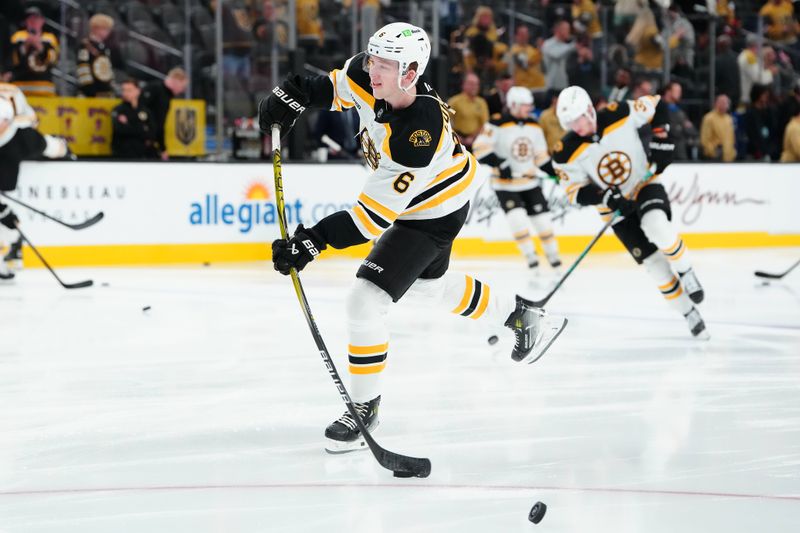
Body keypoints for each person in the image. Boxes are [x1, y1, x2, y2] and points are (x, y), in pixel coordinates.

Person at [258, 22, 567, 453]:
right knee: (428, 289)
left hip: (433, 210)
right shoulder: (370, 76)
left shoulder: (416, 136)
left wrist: (310, 242)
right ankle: (521, 317)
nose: (373, 72)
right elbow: (334, 87)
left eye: (385, 65)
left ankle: (365, 407)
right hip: (433, 198)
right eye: (372, 60)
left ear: (410, 73)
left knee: (365, 298)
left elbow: (368, 221)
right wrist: (292, 96)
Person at [551, 85, 709, 339]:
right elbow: (575, 192)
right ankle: (688, 312)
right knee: (654, 265)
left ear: (590, 110)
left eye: (576, 119)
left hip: (644, 184)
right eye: (568, 122)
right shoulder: (564, 152)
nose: (574, 126)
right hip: (615, 211)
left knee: (656, 225)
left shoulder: (619, 113)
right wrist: (605, 197)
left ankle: (686, 270)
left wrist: (662, 140)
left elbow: (657, 105)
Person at [472, 86, 562, 273]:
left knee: (543, 223)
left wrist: (555, 173)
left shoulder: (534, 125)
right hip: (505, 185)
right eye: (525, 106)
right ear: (513, 105)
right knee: (518, 221)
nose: (529, 109)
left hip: (530, 183)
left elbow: (540, 156)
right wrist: (500, 163)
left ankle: (554, 258)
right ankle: (532, 260)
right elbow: (479, 149)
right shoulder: (496, 124)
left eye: (530, 105)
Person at [0, 82, 70, 275]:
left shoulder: (9, 94)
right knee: (4, 206)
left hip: (16, 138)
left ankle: (64, 148)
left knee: (43, 144)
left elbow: (25, 119)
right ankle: (11, 249)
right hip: (14, 139)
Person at [10, 6, 59, 97]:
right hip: (22, 88)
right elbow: (13, 60)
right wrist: (25, 46)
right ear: (25, 22)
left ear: (42, 21)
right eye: (30, 19)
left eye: (36, 18)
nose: (33, 22)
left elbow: (53, 61)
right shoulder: (18, 36)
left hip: (44, 89)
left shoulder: (49, 38)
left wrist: (40, 47)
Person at [140, 67, 188, 160]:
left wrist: (162, 148)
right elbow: (142, 112)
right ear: (176, 81)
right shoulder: (154, 89)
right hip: (140, 141)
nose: (182, 90)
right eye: (183, 86)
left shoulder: (167, 96)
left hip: (151, 140)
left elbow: (160, 124)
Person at [111, 79, 160, 159]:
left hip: (143, 155)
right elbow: (120, 130)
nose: (126, 93)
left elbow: (152, 132)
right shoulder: (118, 110)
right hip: (123, 155)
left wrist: (128, 124)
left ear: (138, 91)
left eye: (129, 90)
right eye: (124, 90)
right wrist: (142, 128)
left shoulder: (145, 111)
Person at [76, 14, 116, 98]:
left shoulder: (105, 48)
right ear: (95, 28)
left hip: (105, 90)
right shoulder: (86, 45)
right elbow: (83, 67)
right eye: (105, 29)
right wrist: (88, 87)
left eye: (108, 29)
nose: (107, 32)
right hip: (90, 91)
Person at [447, 72, 489, 150]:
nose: (475, 87)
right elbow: (446, 119)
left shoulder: (481, 103)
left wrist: (473, 137)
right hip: (458, 139)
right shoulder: (454, 102)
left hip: (477, 141)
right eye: (471, 84)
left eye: (477, 84)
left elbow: (484, 123)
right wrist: (456, 136)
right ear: (464, 84)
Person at [699, 94, 736, 161]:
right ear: (717, 103)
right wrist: (713, 152)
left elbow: (731, 137)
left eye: (727, 103)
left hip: (728, 157)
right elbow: (704, 139)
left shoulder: (729, 119)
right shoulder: (709, 118)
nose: (726, 105)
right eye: (723, 103)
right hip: (715, 157)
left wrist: (732, 152)